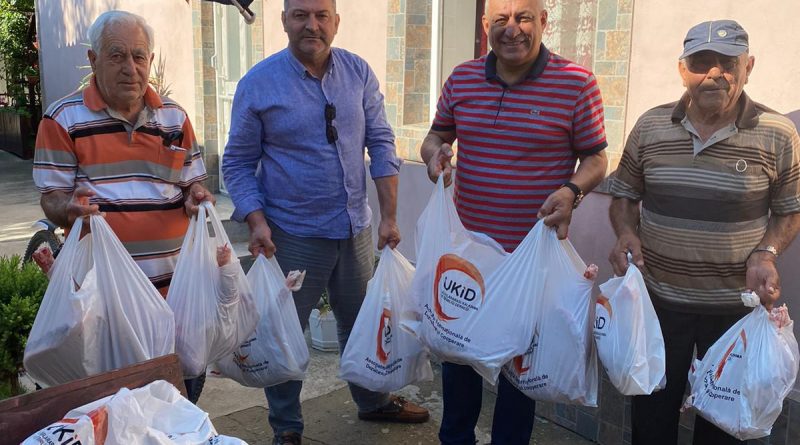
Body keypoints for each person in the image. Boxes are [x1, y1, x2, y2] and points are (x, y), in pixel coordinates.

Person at [221, 0, 429, 443]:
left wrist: (390, 217)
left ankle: (372, 401)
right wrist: (255, 221)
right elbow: (237, 163)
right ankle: (287, 427)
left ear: (336, 22)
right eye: (300, 15)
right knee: (284, 333)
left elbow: (381, 143)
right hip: (291, 235)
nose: (311, 25)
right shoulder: (258, 84)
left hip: (355, 228)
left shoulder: (358, 72)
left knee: (362, 322)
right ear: (284, 21)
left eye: (321, 15)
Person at [421, 0, 609, 443]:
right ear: (485, 24)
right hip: (468, 255)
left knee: (519, 376)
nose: (513, 29)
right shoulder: (463, 78)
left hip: (529, 260)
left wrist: (572, 191)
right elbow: (436, 135)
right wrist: (434, 156)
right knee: (458, 364)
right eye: (501, 19)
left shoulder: (576, 83)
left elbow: (597, 158)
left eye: (524, 17)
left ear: (543, 21)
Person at [607, 19, 800, 445]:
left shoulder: (778, 134)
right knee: (650, 425)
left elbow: (790, 212)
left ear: (748, 67)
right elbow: (623, 197)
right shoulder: (651, 126)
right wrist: (625, 233)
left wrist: (766, 251)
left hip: (734, 315)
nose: (714, 73)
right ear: (683, 70)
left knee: (722, 431)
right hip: (659, 308)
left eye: (728, 63)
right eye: (701, 62)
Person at [32, 10, 214, 403]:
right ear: (93, 59)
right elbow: (52, 197)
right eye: (116, 55)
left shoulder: (174, 117)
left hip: (174, 297)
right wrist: (68, 208)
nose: (130, 68)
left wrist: (196, 197)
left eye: (139, 56)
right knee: (116, 409)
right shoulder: (63, 119)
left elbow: (191, 185)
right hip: (106, 306)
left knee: (179, 403)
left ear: (150, 60)